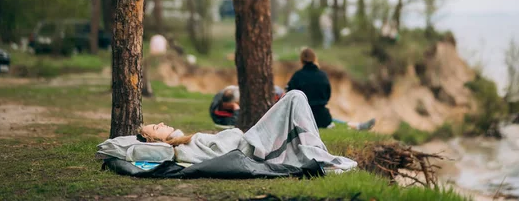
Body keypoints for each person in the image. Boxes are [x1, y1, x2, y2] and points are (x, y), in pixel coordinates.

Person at [138, 90, 357, 172]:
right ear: (157, 141)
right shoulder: (179, 150)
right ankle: (318, 155)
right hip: (249, 146)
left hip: (248, 141)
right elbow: (220, 155)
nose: (161, 123)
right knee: (295, 97)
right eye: (156, 128)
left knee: (295, 100)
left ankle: (318, 153)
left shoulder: (182, 142)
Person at [286, 48, 376, 131]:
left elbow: (290, 95)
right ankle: (357, 126)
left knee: (323, 118)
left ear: (301, 60)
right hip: (322, 117)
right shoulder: (323, 75)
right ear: (315, 59)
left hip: (303, 117)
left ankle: (357, 126)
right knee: (331, 121)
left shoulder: (297, 76)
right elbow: (327, 96)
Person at [209, 85, 285, 127]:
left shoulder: (227, 93)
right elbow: (234, 123)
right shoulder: (220, 115)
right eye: (238, 103)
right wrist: (236, 109)